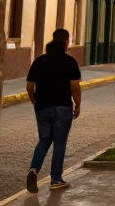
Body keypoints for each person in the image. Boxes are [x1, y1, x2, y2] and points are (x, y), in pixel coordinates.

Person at [25, 29, 81, 192]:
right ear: (65, 42)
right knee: (59, 143)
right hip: (62, 107)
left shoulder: (39, 61)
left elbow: (29, 87)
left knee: (44, 140)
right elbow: (75, 87)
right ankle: (56, 179)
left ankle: (33, 169)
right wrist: (77, 105)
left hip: (42, 107)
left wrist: (35, 101)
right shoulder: (69, 62)